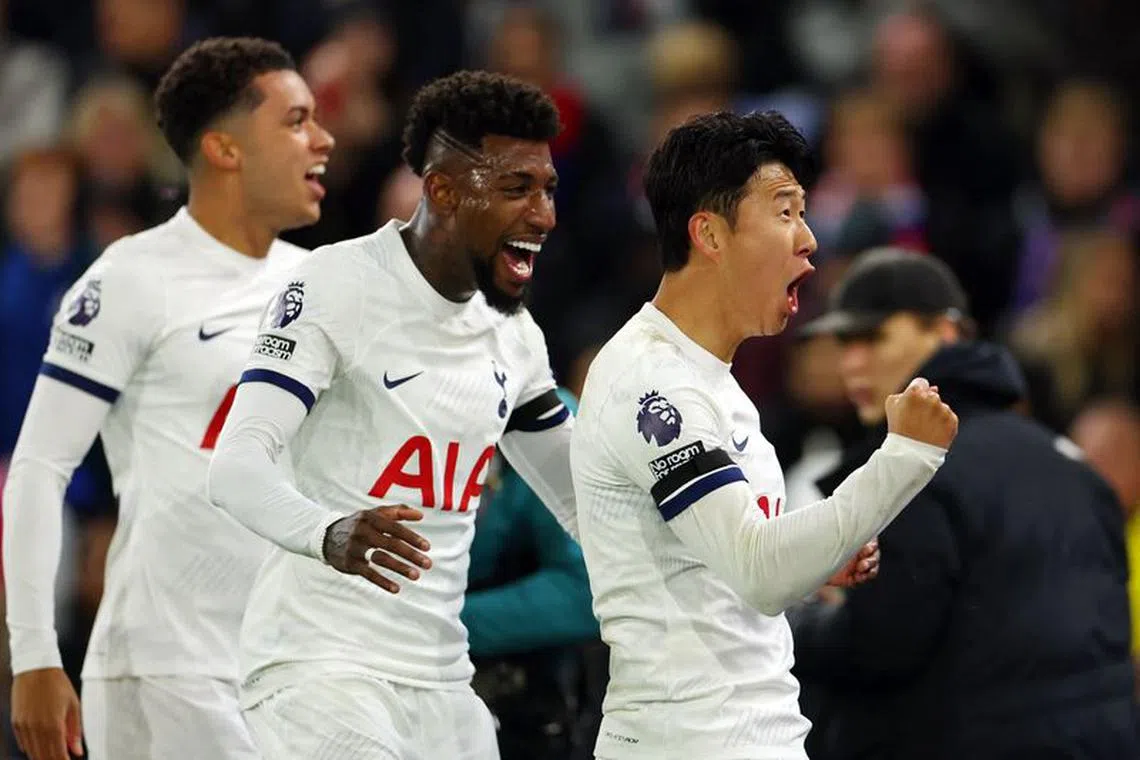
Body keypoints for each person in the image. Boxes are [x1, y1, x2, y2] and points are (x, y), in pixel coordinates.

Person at [207, 70, 578, 760]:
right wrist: (328, 531)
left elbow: (589, 502)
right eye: (515, 188)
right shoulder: (333, 285)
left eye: (548, 188)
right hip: (321, 672)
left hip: (444, 685)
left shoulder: (516, 337)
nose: (543, 215)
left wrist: (761, 556)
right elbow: (234, 467)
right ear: (441, 190)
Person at [569, 110, 959, 760]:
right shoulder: (650, 383)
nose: (808, 239)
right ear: (710, 235)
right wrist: (905, 457)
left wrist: (811, 560)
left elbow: (731, 565)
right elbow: (757, 570)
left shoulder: (714, 384)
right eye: (784, 212)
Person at [2, 36, 334, 760]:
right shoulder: (131, 279)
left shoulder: (327, 285)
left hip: (296, 664)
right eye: (296, 120)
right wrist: (34, 654)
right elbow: (38, 467)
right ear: (224, 148)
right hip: (166, 667)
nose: (324, 138)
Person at [790, 248, 1139, 759]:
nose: (852, 363)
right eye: (843, 343)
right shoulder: (1068, 461)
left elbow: (880, 646)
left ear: (947, 334)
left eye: (872, 336)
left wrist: (794, 624)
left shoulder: (916, 470)